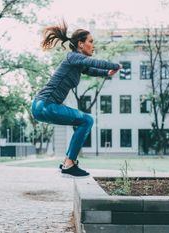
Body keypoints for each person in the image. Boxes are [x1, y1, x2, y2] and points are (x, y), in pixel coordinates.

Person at [31, 21, 122, 177]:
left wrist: (107, 74)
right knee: (87, 120)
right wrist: (115, 65)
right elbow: (92, 62)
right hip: (46, 105)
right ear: (80, 44)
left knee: (85, 121)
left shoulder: (76, 62)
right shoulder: (73, 56)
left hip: (40, 106)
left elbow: (90, 69)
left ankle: (68, 162)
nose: (93, 46)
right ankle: (69, 163)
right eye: (91, 42)